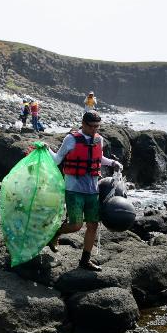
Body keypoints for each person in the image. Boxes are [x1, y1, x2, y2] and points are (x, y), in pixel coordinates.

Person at [48, 111, 123, 272]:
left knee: (93, 225)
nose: (95, 130)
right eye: (92, 126)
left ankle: (85, 260)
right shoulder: (71, 139)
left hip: (92, 190)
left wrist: (113, 163)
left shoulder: (98, 139)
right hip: (73, 189)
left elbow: (99, 158)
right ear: (83, 124)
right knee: (75, 225)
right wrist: (46, 149)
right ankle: (54, 233)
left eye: (98, 126)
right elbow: (56, 160)